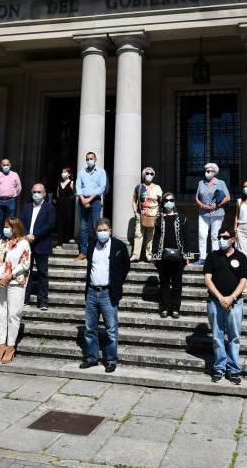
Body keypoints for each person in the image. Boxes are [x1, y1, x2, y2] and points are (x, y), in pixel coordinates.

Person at [80, 219, 129, 373]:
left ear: (110, 231)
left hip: (108, 293)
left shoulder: (118, 246)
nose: (102, 232)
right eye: (99, 230)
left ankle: (111, 360)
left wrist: (116, 283)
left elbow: (125, 266)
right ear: (96, 231)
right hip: (92, 292)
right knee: (90, 328)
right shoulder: (92, 246)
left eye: (104, 229)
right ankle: (91, 358)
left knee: (111, 329)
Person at [205, 228, 247, 384]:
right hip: (215, 302)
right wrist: (220, 297)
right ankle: (219, 367)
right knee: (217, 337)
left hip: (235, 303)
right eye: (219, 237)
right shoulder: (212, 256)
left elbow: (244, 280)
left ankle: (234, 369)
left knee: (234, 337)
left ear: (233, 239)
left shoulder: (241, 257)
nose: (221, 240)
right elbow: (207, 279)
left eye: (225, 237)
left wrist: (231, 297)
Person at [0, 218, 33, 363]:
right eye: (4, 227)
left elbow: (25, 264)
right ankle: (1, 345)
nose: (6, 230)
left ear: (15, 228)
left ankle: (10, 346)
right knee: (0, 313)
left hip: (15, 282)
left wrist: (9, 275)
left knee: (13, 314)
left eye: (8, 227)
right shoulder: (0, 242)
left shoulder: (24, 244)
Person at [150, 193, 196, 318]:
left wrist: (188, 256)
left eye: (171, 200)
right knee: (164, 283)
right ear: (163, 203)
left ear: (174, 202)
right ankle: (165, 307)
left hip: (178, 257)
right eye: (166, 200)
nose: (169, 202)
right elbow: (156, 238)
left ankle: (175, 308)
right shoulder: (159, 219)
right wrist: (154, 256)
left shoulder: (182, 218)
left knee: (177, 284)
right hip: (163, 257)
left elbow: (187, 238)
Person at [20, 183, 56, 310]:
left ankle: (43, 301)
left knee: (42, 273)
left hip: (42, 244)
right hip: (26, 244)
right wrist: (25, 235)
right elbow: (21, 223)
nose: (36, 194)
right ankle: (24, 299)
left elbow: (50, 224)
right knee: (25, 272)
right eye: (34, 191)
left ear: (44, 194)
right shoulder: (26, 207)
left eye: (39, 192)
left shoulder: (49, 208)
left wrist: (35, 235)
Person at [194, 162, 230, 265]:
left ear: (214, 172)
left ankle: (215, 257)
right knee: (202, 234)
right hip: (203, 213)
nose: (207, 173)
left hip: (217, 213)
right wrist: (202, 205)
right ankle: (202, 257)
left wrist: (217, 205)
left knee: (215, 235)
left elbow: (228, 197)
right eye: (206, 171)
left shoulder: (221, 183)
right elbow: (197, 197)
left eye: (209, 171)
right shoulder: (201, 183)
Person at [76, 152, 108, 260]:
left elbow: (101, 187)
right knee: (84, 227)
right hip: (82, 199)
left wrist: (89, 199)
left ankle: (96, 250)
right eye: (87, 159)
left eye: (91, 158)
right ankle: (83, 252)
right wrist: (83, 199)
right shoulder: (82, 172)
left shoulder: (101, 172)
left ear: (95, 159)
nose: (89, 160)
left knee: (96, 225)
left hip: (95, 200)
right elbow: (78, 187)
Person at [131, 167, 162, 263]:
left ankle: (149, 255)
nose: (149, 175)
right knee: (138, 234)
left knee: (150, 236)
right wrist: (135, 212)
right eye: (148, 173)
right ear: (144, 175)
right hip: (141, 214)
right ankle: (136, 255)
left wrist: (158, 212)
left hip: (153, 215)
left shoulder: (157, 188)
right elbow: (134, 201)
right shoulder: (139, 187)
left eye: (152, 174)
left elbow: (160, 201)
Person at [0, 158, 22, 242]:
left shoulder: (15, 175)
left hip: (10, 200)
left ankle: (8, 238)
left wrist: (14, 195)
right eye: (4, 165)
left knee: (10, 221)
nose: (6, 166)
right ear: (1, 166)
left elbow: (19, 187)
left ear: (10, 165)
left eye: (7, 165)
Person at [55, 167, 76, 247]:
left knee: (68, 220)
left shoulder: (71, 183)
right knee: (60, 221)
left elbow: (74, 194)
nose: (63, 173)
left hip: (68, 204)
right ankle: (60, 240)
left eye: (65, 172)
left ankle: (67, 238)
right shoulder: (59, 183)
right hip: (60, 203)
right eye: (62, 172)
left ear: (69, 174)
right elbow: (57, 194)